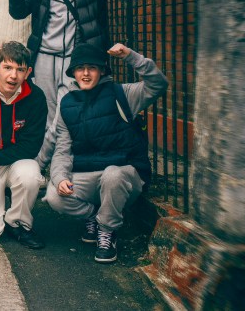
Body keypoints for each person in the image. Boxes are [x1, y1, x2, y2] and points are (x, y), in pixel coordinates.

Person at [46, 42, 167, 263]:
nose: (85, 73)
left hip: (125, 175)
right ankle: (93, 216)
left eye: (91, 67)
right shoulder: (67, 103)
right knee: (54, 195)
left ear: (102, 70)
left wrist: (130, 56)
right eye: (80, 68)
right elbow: (62, 150)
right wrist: (60, 178)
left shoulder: (122, 94)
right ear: (73, 72)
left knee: (113, 174)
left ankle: (107, 231)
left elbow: (158, 83)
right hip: (90, 176)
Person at [8, 0, 132, 133]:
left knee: (69, 107)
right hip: (45, 55)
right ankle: (50, 157)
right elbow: (19, 12)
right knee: (47, 108)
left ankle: (65, 152)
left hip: (74, 55)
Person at [0, 41, 48, 250]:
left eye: (20, 69)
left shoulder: (36, 98)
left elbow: (31, 146)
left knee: (30, 174)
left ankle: (18, 222)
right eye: (7, 68)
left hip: (14, 163)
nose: (13, 76)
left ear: (28, 72)